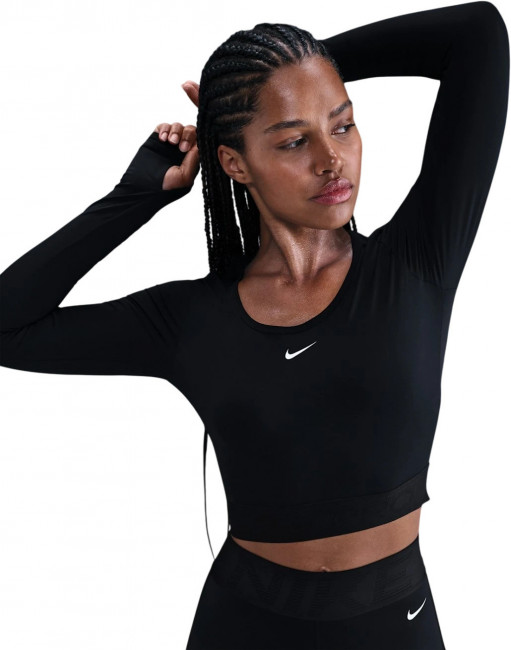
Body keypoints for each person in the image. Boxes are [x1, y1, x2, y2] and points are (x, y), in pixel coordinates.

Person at [1, 1, 508, 648]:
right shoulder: (189, 321)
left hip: (395, 621)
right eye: (294, 140)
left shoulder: (417, 262)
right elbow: (7, 328)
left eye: (342, 125)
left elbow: (477, 35)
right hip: (244, 623)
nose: (332, 159)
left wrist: (296, 70)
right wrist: (134, 200)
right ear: (234, 163)